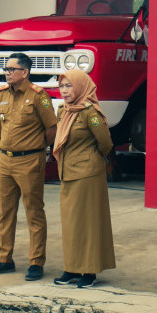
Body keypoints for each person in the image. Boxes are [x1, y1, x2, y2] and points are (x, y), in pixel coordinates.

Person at [0, 52, 57, 281]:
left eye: (11, 69)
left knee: (34, 211)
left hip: (29, 160)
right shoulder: (2, 94)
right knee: (6, 212)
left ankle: (36, 262)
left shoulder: (38, 96)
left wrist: (37, 149)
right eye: (6, 69)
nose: (6, 73)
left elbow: (51, 129)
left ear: (24, 72)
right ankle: (4, 258)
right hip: (5, 160)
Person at [53, 69, 115, 288]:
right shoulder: (63, 111)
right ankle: (71, 268)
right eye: (62, 86)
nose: (65, 91)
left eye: (69, 86)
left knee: (89, 223)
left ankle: (89, 272)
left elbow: (105, 143)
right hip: (68, 173)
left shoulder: (91, 113)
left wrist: (89, 160)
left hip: (88, 175)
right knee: (71, 224)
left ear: (81, 86)